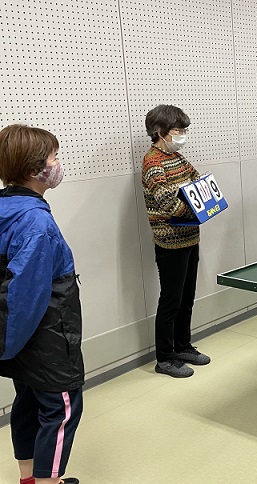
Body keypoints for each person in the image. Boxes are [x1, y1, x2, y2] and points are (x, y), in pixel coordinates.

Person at [0, 125, 83, 484]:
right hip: (44, 336)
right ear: (36, 169)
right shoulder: (35, 221)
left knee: (29, 402)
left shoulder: (7, 208)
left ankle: (29, 478)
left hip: (20, 341)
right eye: (53, 157)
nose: (57, 164)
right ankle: (48, 482)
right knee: (62, 409)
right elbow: (26, 294)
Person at [143, 105, 211, 378]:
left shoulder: (178, 158)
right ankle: (165, 358)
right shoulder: (153, 163)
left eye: (184, 130)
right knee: (170, 301)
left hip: (191, 236)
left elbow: (198, 182)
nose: (182, 135)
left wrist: (201, 200)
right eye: (178, 130)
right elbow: (168, 202)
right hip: (169, 242)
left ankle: (183, 346)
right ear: (160, 132)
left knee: (187, 297)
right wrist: (197, 207)